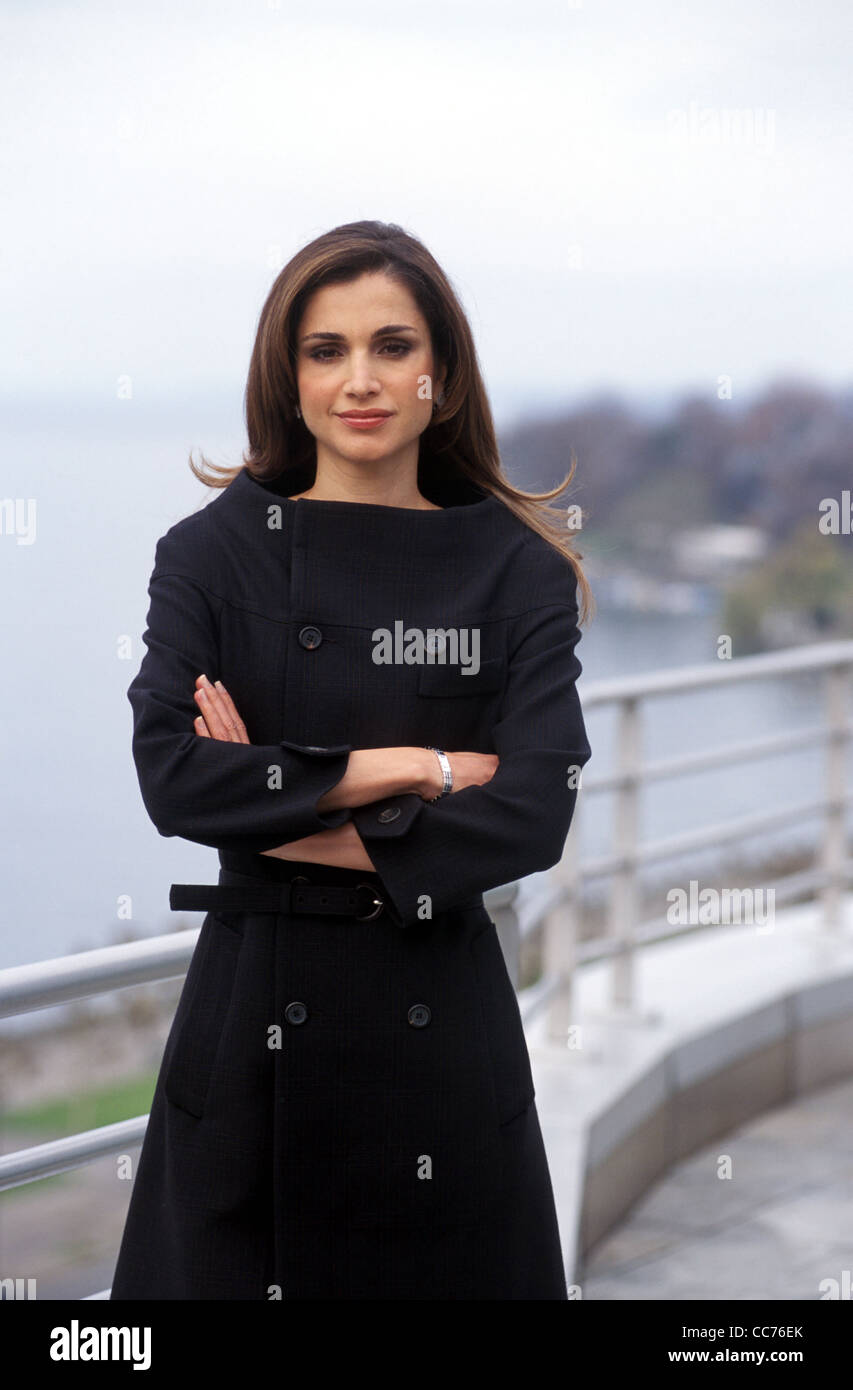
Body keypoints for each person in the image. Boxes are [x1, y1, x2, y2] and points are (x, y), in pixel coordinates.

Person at [110, 219, 592, 1300]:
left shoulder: (517, 570)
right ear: (287, 378)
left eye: (393, 346)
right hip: (251, 1041)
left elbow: (533, 814)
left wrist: (277, 804)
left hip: (439, 1038)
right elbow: (173, 780)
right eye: (325, 351)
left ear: (443, 376)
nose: (360, 380)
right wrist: (417, 764)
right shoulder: (213, 552)